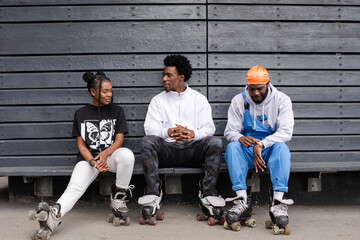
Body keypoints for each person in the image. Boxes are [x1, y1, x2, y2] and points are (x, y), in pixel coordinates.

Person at [29, 72, 135, 239]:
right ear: (93, 92)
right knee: (75, 188)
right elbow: (81, 145)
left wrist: (105, 154)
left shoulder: (117, 111)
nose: (109, 95)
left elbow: (119, 141)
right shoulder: (81, 114)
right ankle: (53, 215)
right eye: (105, 91)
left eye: (111, 91)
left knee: (127, 156)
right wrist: (93, 161)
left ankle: (119, 199)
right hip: (89, 160)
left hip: (112, 157)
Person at [137, 54, 224, 226]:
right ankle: (153, 195)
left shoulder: (198, 99)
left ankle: (208, 195)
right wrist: (168, 131)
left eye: (169, 75)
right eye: (164, 75)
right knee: (147, 141)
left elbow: (209, 128)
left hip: (193, 150)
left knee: (215, 143)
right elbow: (150, 128)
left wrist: (192, 134)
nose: (164, 79)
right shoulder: (158, 101)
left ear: (181, 77)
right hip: (168, 151)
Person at [223, 66, 294, 232]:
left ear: (268, 84)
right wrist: (240, 138)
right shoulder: (238, 100)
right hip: (247, 149)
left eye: (259, 89)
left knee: (282, 149)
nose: (255, 93)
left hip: (269, 150)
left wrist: (261, 144)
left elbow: (285, 132)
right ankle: (241, 200)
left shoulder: (282, 100)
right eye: (251, 89)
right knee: (233, 147)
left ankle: (277, 202)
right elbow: (229, 131)